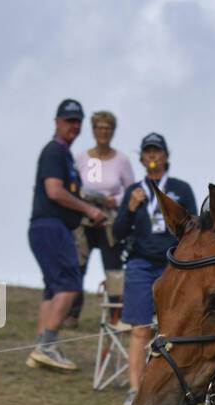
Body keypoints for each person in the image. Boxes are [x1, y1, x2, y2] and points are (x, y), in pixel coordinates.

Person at [112, 133, 198, 405]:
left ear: (165, 156)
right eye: (147, 152)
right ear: (141, 158)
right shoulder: (134, 191)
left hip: (172, 264)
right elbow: (117, 232)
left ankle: (176, 387)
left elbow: (193, 228)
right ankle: (135, 389)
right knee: (139, 329)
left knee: (175, 329)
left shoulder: (181, 189)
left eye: (156, 151)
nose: (152, 156)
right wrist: (130, 208)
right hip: (139, 265)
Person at [27, 98, 106, 371]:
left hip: (49, 226)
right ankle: (46, 346)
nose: (74, 125)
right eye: (68, 120)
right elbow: (54, 191)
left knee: (54, 287)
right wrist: (90, 210)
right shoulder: (54, 152)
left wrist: (87, 213)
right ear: (56, 122)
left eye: (77, 121)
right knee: (70, 285)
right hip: (51, 227)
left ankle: (39, 348)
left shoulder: (65, 156)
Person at [70, 110, 134, 326]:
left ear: (113, 131)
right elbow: (72, 185)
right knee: (78, 265)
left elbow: (131, 190)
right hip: (85, 220)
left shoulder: (122, 160)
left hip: (110, 222)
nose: (103, 132)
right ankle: (71, 313)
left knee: (114, 269)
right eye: (99, 127)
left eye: (108, 128)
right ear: (93, 130)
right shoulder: (81, 158)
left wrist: (114, 201)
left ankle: (116, 315)